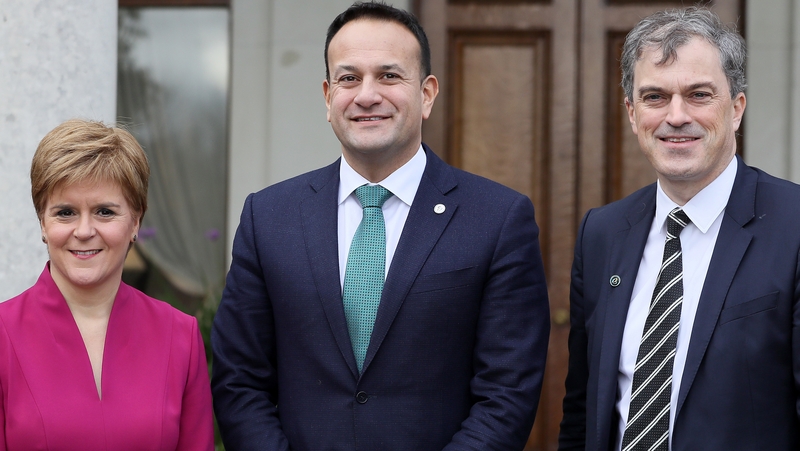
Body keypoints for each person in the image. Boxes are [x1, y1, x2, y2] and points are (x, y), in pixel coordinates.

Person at [211, 2, 550, 450]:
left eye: (389, 76)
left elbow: (507, 394)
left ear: (427, 94)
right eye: (349, 78)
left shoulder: (497, 219)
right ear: (328, 96)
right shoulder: (268, 217)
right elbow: (239, 381)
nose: (367, 95)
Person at [559, 6, 800, 451]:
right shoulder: (602, 233)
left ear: (736, 108)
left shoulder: (794, 224)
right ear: (632, 114)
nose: (675, 116)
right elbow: (582, 409)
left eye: (699, 94)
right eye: (654, 97)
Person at [0, 119, 214, 450]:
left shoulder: (180, 337)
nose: (84, 230)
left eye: (104, 212)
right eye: (66, 212)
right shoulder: (3, 334)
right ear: (42, 221)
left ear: (136, 221)